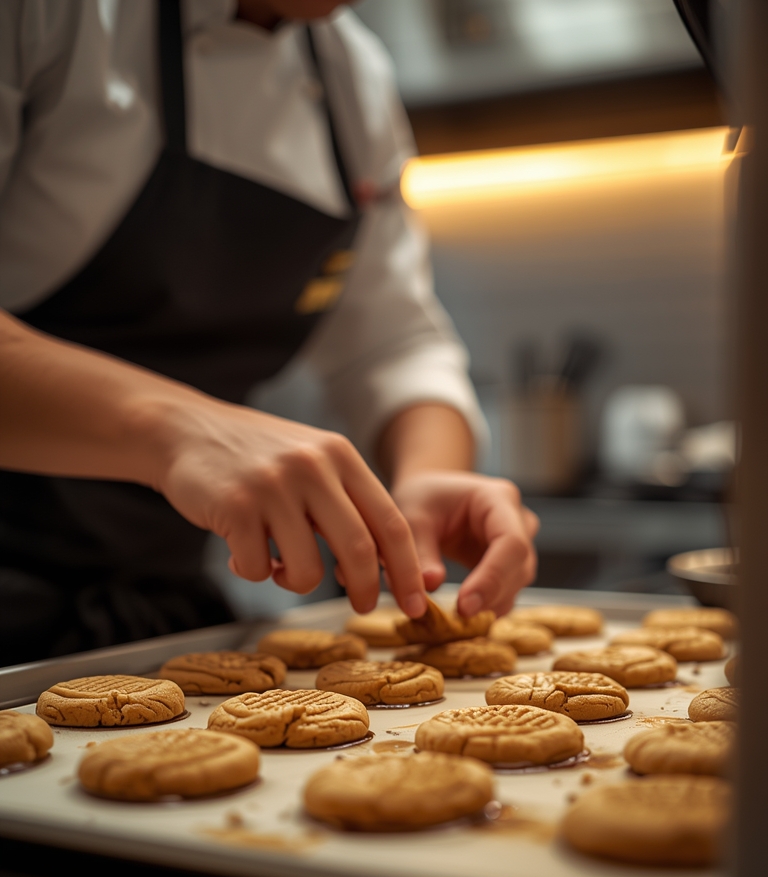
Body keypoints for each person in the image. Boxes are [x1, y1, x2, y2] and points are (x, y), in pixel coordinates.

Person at [0, 0, 538, 667]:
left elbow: (392, 340)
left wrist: (428, 475)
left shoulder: (353, 72)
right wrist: (176, 427)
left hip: (151, 619)